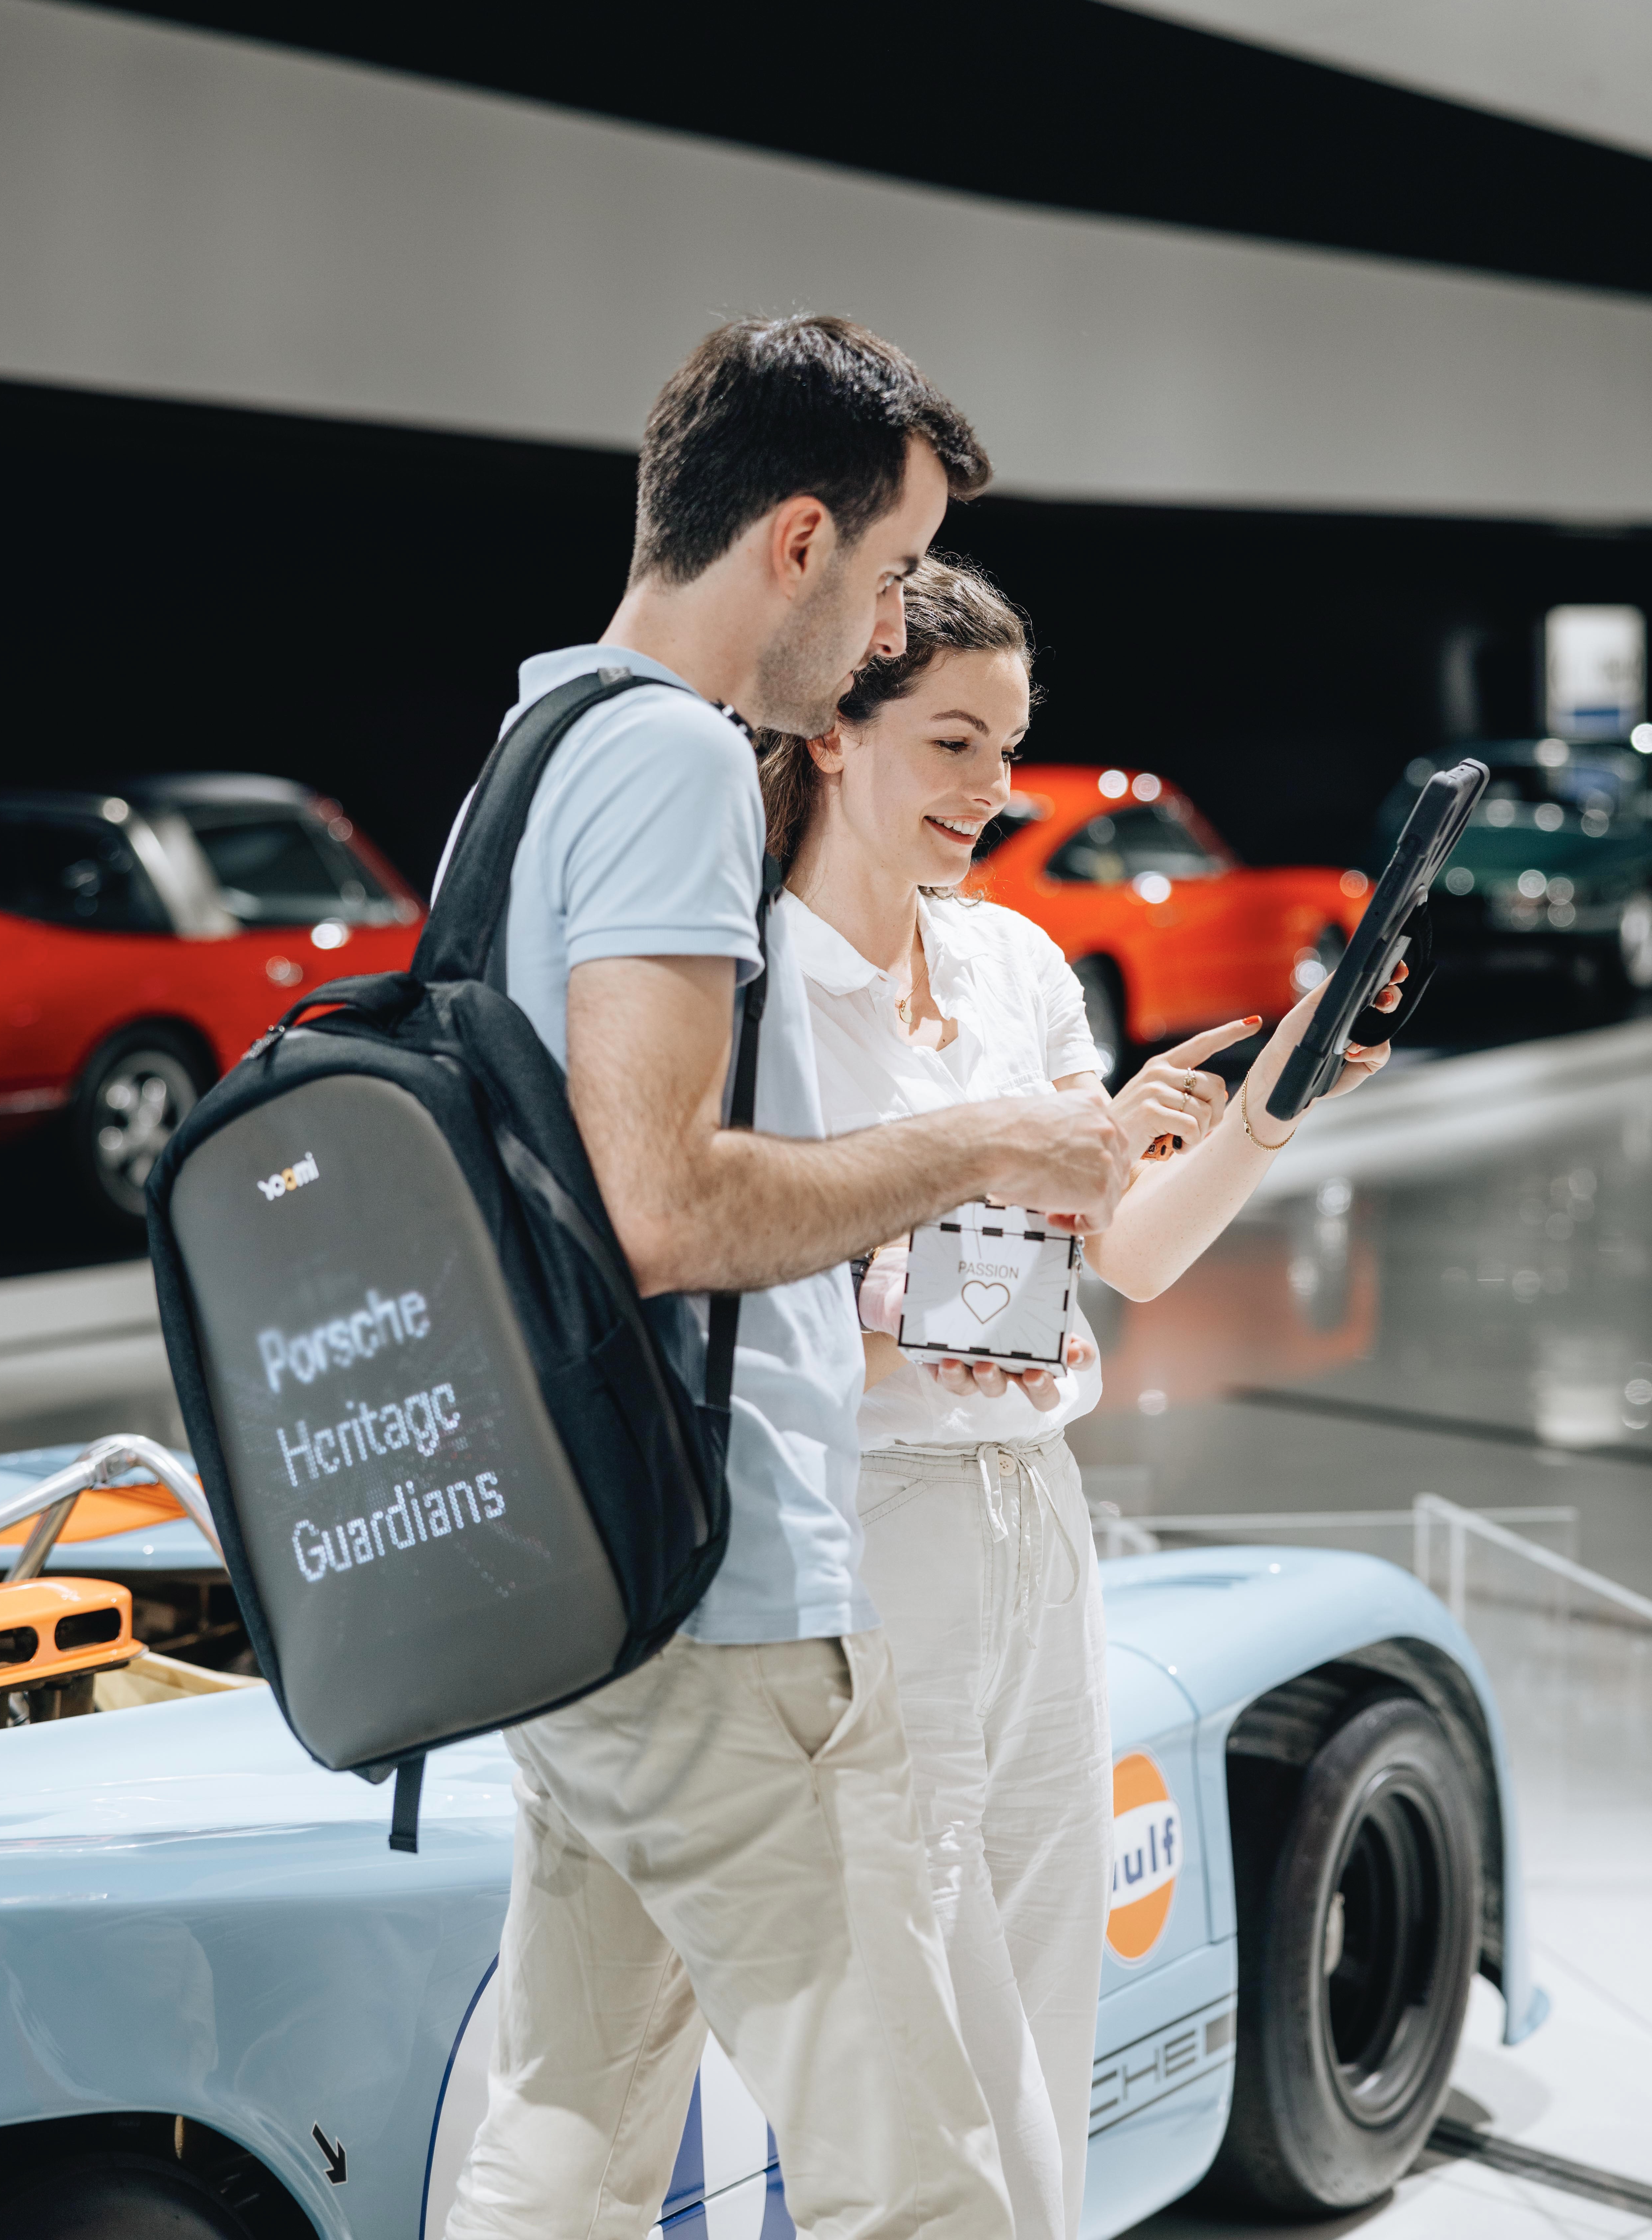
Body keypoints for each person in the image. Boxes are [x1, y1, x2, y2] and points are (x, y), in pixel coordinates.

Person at [440, 317, 1134, 2240]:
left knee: (564, 2138)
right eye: (896, 570)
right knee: (933, 2189)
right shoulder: (669, 755)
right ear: (803, 538)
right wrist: (993, 1143)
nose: (891, 614)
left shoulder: (534, 741)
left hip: (576, 1593)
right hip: (727, 1614)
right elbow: (661, 1202)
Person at [761, 554, 1401, 2240]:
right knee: (933, 2041)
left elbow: (1125, 1256)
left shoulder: (1017, 968)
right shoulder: (757, 995)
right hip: (870, 1543)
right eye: (957, 744)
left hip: (1039, 1513)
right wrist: (914, 1334)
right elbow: (735, 1285)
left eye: (1012, 746)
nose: (993, 789)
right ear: (839, 727)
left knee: (1043, 1992)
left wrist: (1269, 1104)